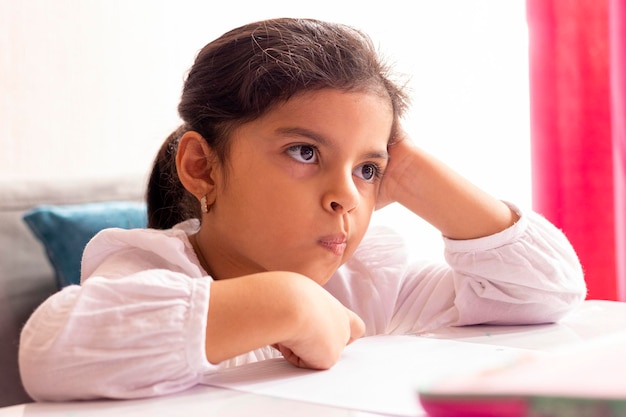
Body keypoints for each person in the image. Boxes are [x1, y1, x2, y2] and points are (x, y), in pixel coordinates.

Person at [19, 17, 586, 402]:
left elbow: (543, 293)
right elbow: (51, 350)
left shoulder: (369, 285)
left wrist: (412, 173)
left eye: (369, 169)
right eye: (305, 152)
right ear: (202, 167)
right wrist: (284, 302)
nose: (346, 196)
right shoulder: (153, 272)